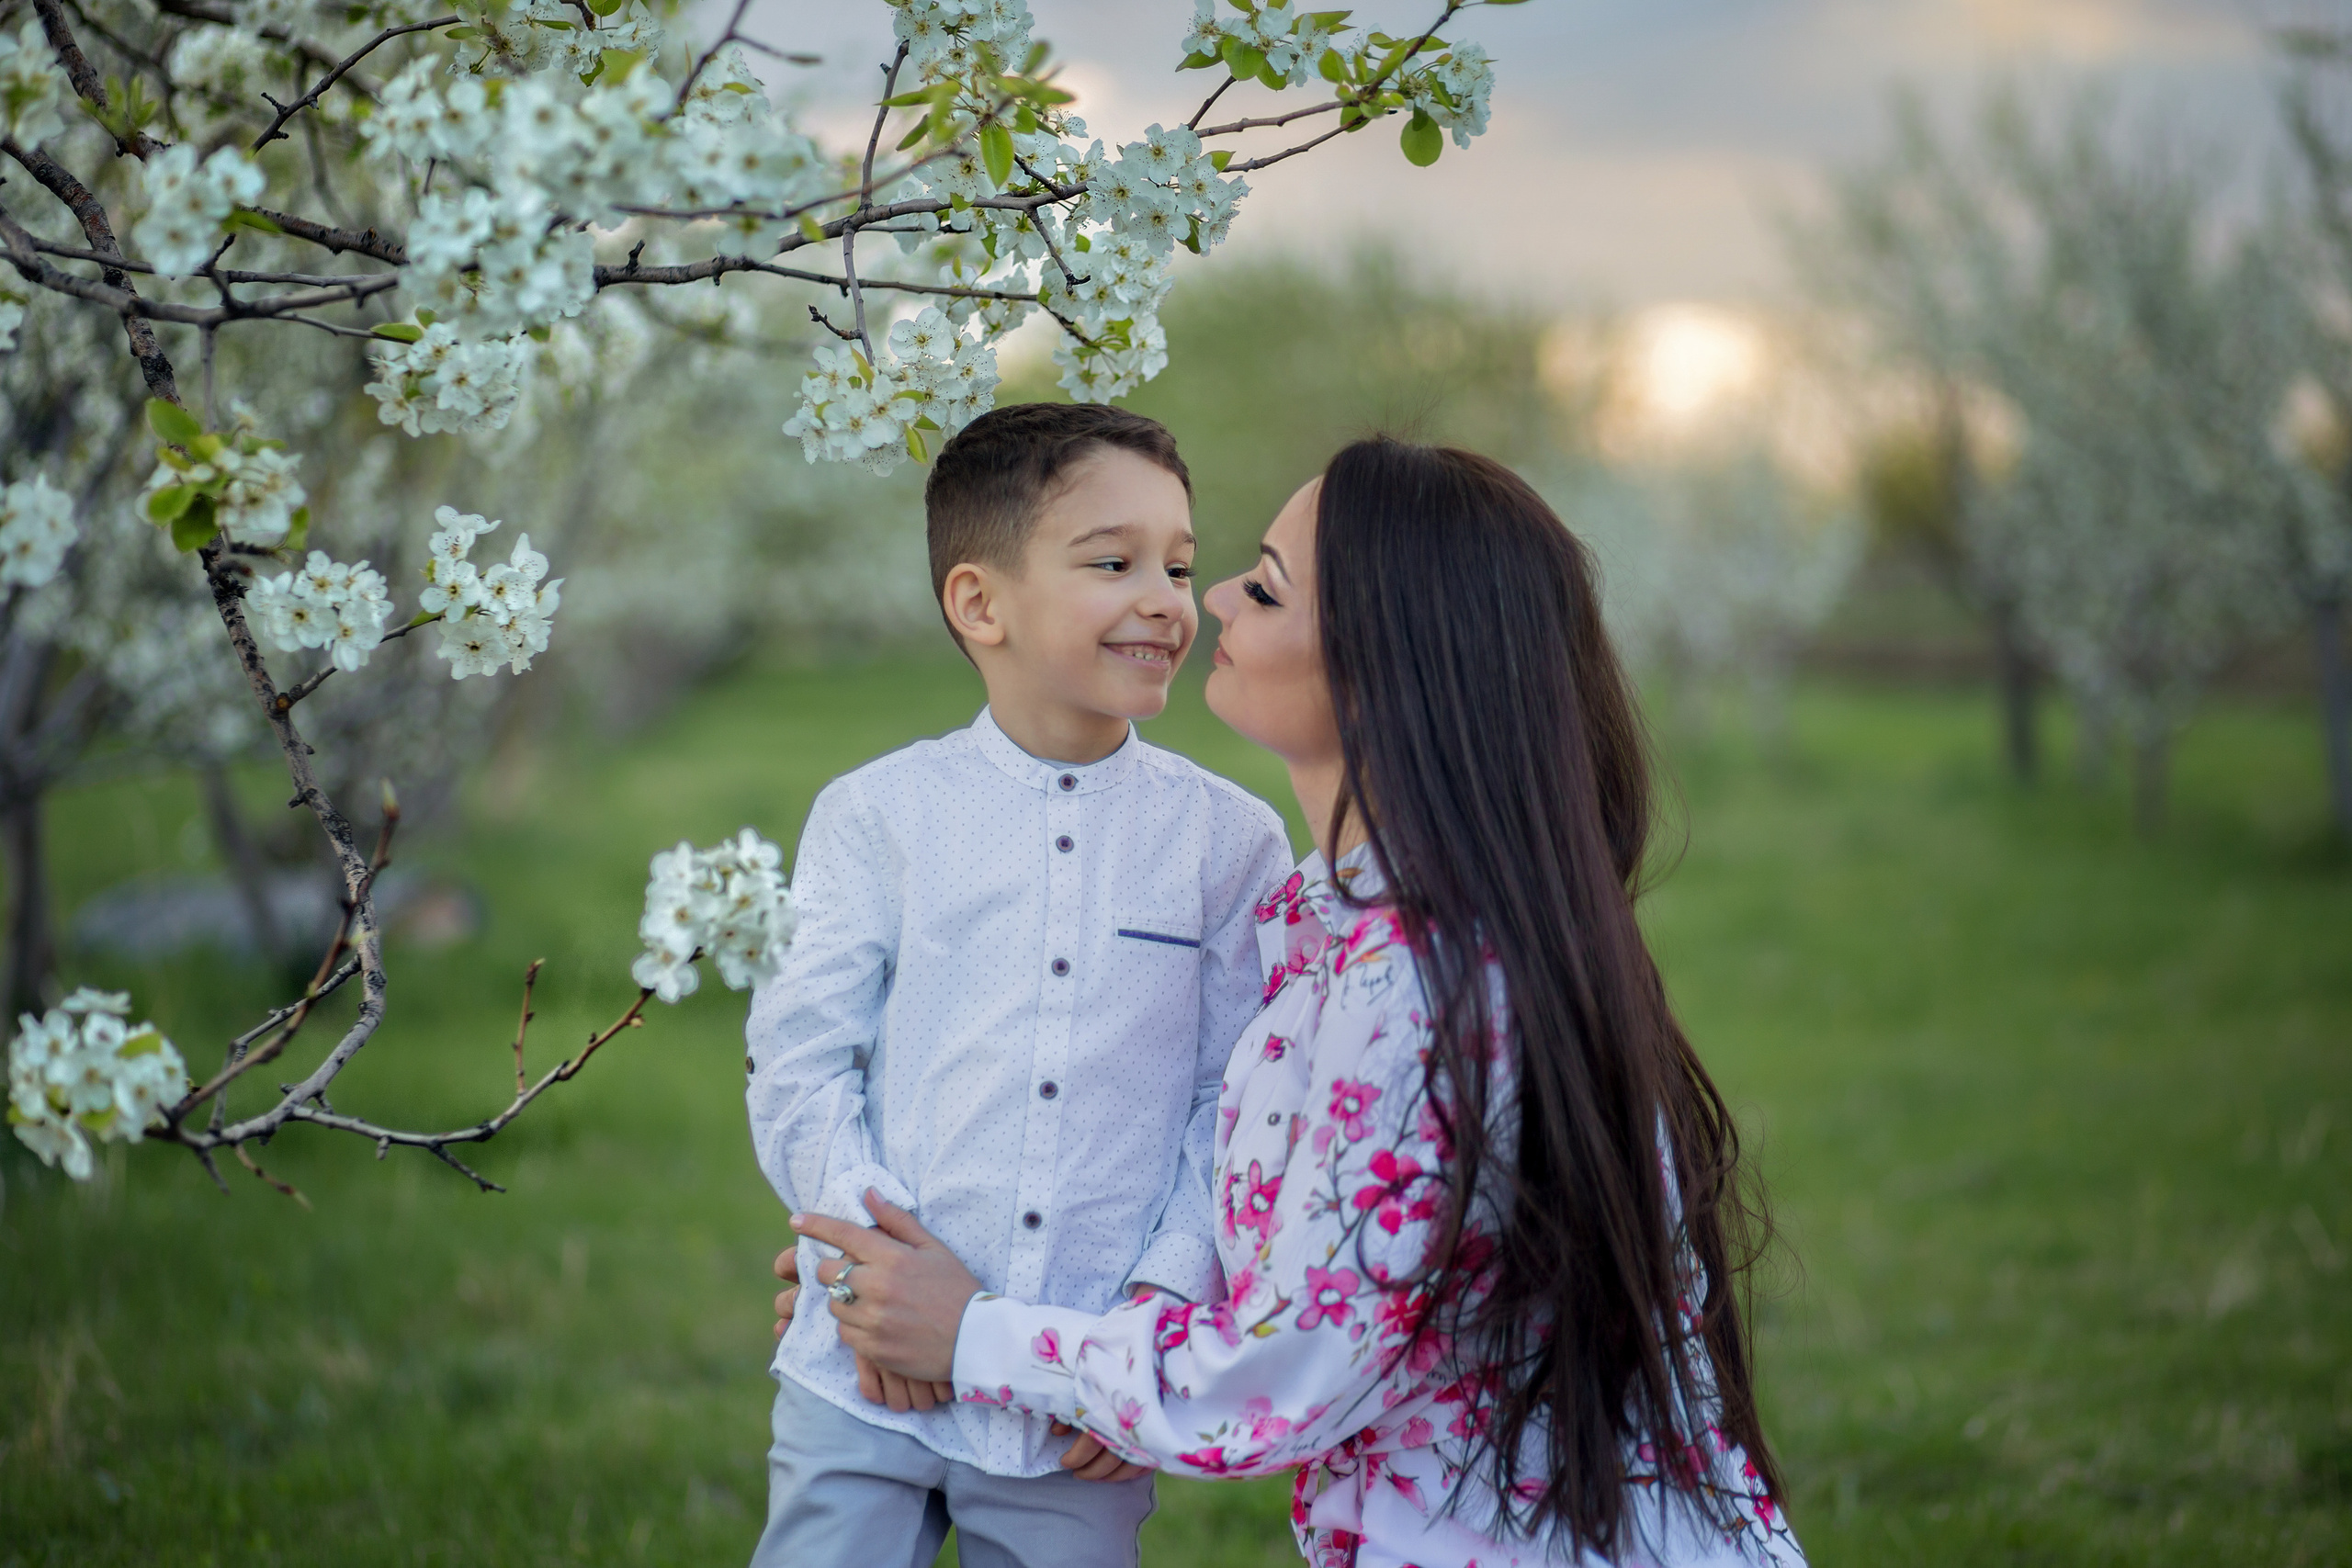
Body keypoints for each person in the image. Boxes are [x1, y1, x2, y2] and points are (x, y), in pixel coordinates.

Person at [783, 438, 1807, 1568]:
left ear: (1386, 672)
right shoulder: (1345, 933)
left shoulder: (1421, 987)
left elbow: (1278, 1375)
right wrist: (887, 1255)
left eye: (1259, 584)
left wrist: (975, 1332)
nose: (1203, 597)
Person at [744, 403, 1294, 1568]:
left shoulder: (1231, 844)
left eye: (1180, 565)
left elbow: (1232, 1104)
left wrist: (1156, 1313)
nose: (1164, 596)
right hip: (861, 1373)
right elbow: (800, 1059)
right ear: (979, 602)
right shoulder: (876, 816)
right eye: (1113, 561)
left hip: (1074, 1394)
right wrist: (861, 1275)